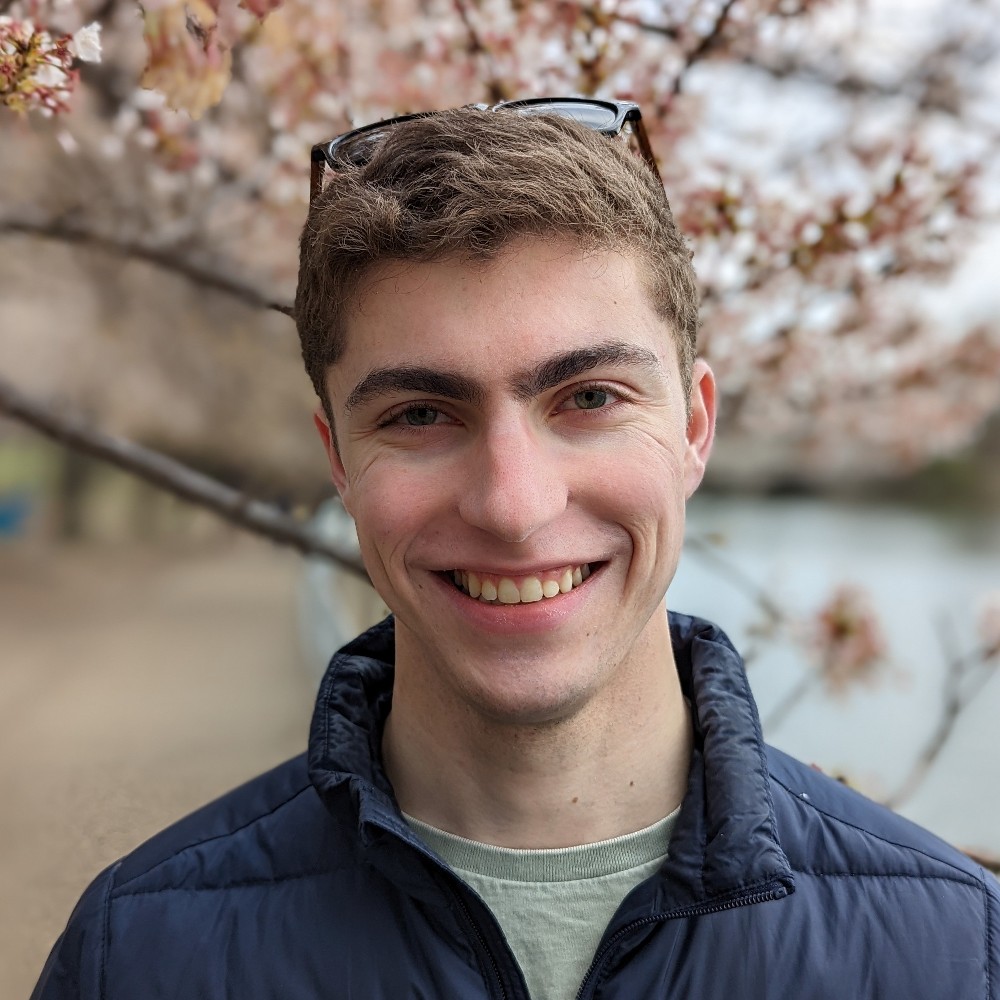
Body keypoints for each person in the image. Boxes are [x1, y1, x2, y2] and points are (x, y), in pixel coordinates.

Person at [33, 99, 999, 1000]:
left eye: (589, 398)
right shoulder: (137, 954)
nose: (514, 505)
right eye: (419, 414)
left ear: (696, 428)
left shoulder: (956, 949)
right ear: (337, 460)